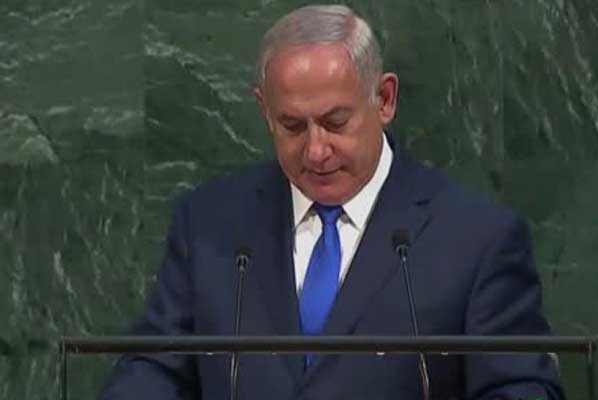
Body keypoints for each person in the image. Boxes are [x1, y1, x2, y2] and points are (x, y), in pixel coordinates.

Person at [100, 5, 564, 400]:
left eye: (335, 122)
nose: (316, 150)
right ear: (264, 110)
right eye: (292, 127)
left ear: (384, 99)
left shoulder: (477, 238)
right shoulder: (210, 223)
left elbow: (521, 388)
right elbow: (154, 369)